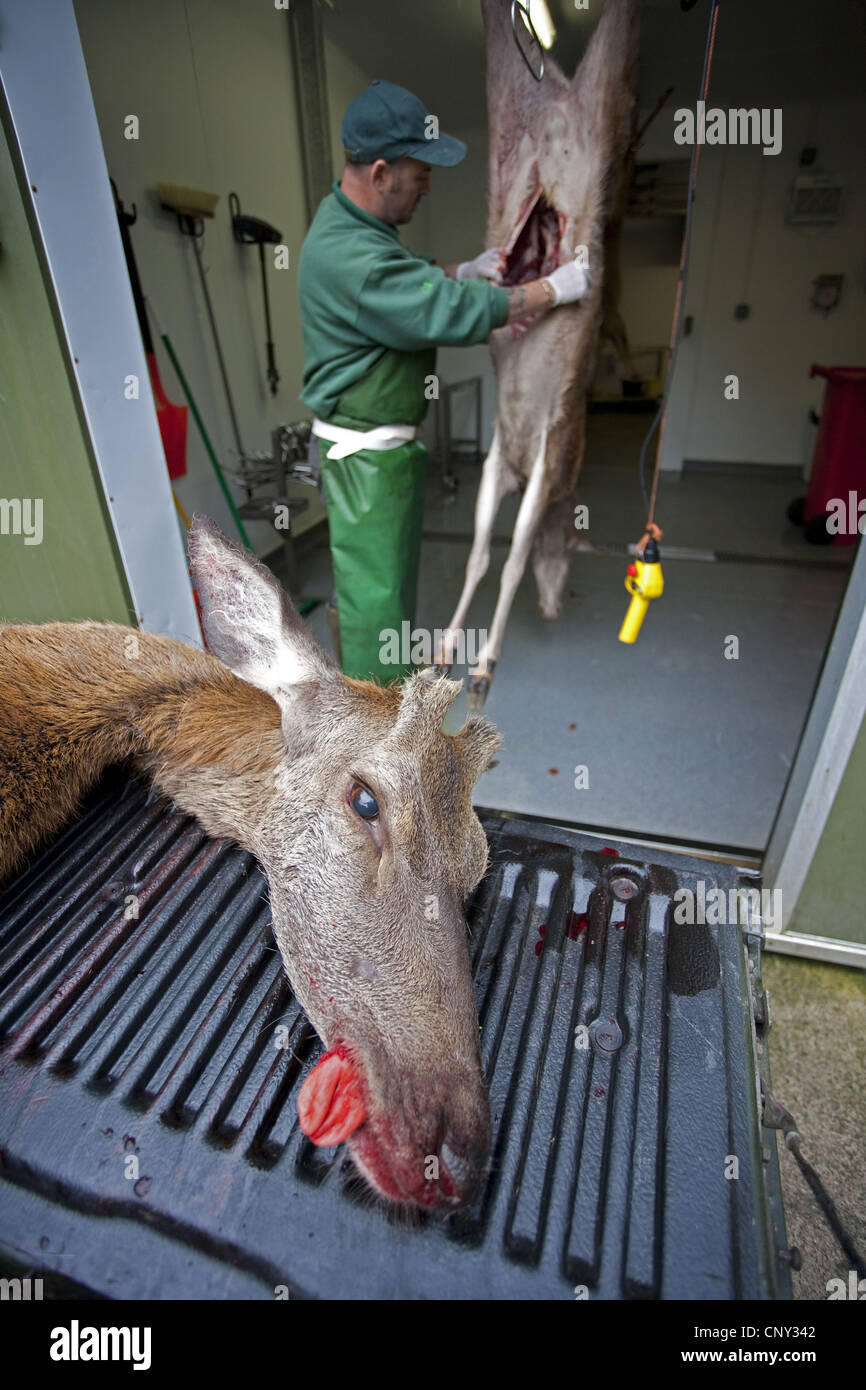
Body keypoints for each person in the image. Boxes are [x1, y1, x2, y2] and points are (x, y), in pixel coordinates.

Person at [296, 79, 589, 682]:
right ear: (381, 174)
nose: (428, 183)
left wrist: (456, 269)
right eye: (420, 171)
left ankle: (382, 706)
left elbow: (397, 280)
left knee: (388, 591)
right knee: (376, 608)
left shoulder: (353, 226)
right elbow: (446, 313)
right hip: (366, 462)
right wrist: (550, 290)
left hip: (384, 453)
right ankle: (374, 743)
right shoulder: (348, 253)